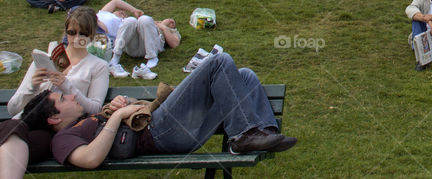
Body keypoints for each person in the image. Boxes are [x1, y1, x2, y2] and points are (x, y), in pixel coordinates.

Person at [18, 52, 295, 170]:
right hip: (160, 133)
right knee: (219, 61)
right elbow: (90, 158)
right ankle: (242, 137)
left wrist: (122, 106)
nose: (69, 96)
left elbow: (117, 123)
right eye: (62, 99)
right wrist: (116, 117)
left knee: (244, 75)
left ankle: (261, 131)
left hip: (164, 127)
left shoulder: (83, 120)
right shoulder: (62, 140)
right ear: (54, 117)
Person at [8, 7, 109, 119]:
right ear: (66, 31)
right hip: (31, 120)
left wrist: (66, 86)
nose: (76, 38)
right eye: (72, 32)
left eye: (83, 34)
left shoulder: (99, 66)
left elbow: (95, 109)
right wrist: (31, 87)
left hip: (62, 125)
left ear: (92, 34)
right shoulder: (44, 60)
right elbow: (13, 109)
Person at [96, 0, 180, 80]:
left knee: (144, 19)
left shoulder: (169, 30)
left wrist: (163, 27)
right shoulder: (104, 14)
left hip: (151, 45)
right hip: (132, 46)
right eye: (170, 19)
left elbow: (175, 44)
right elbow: (116, 2)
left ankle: (152, 57)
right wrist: (134, 11)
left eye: (173, 23)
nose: (170, 21)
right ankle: (116, 57)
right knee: (131, 20)